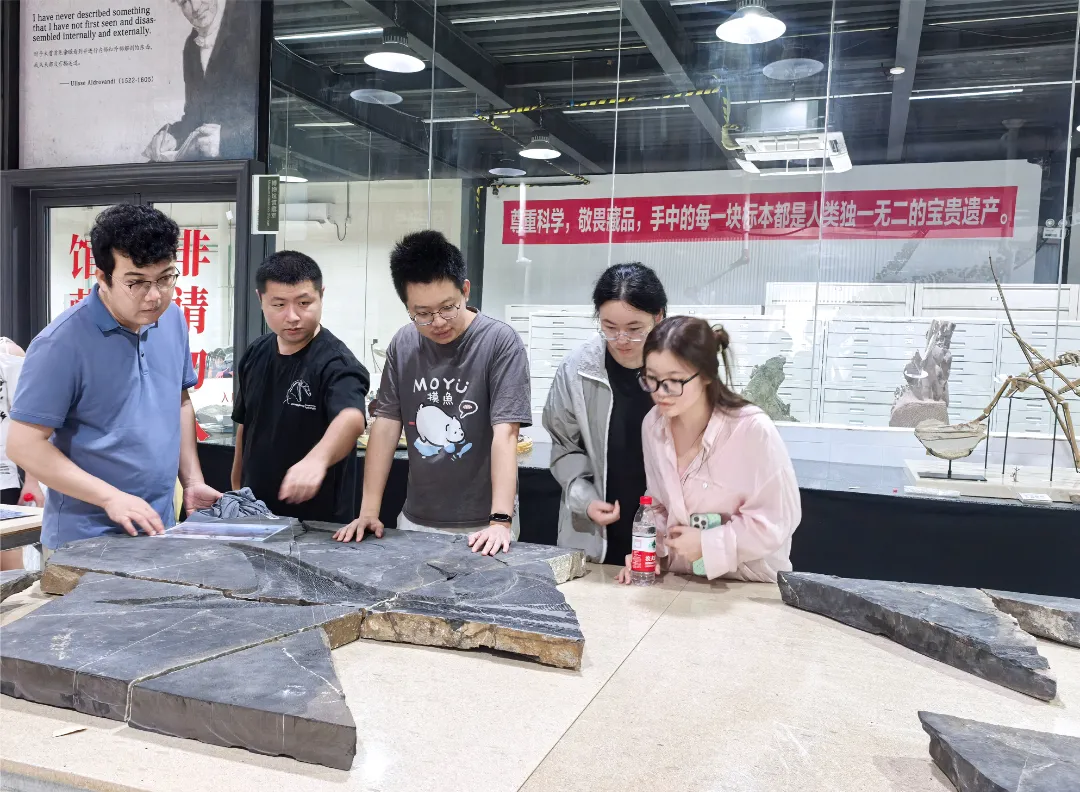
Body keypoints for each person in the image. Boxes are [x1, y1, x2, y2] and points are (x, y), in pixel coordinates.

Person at [7, 204, 221, 551]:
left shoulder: (172, 320)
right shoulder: (60, 343)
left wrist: (192, 480)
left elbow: (178, 402)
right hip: (86, 539)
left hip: (159, 526)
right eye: (136, 282)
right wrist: (110, 498)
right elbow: (23, 445)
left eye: (166, 278)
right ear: (102, 277)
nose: (155, 296)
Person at [333, 230, 531, 556]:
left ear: (465, 290)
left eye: (448, 307)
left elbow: (506, 434)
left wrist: (501, 521)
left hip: (486, 525)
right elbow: (385, 427)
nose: (437, 322)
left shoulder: (499, 342)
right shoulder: (403, 343)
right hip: (417, 519)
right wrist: (368, 512)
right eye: (422, 313)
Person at [616, 316, 800, 584]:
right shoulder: (653, 425)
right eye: (651, 379)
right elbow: (658, 503)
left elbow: (777, 520)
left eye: (674, 380)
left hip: (748, 587)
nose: (660, 392)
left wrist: (708, 544)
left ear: (705, 375)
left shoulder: (751, 429)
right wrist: (649, 552)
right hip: (682, 581)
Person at [231, 252, 370, 523]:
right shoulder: (255, 352)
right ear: (261, 300)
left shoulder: (336, 362)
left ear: (321, 296)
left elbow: (351, 418)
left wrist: (316, 460)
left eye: (304, 303)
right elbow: (245, 424)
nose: (292, 316)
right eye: (279, 304)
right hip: (255, 513)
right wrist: (236, 486)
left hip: (318, 523)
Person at [543, 263, 667, 564]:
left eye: (634, 328)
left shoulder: (681, 371)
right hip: (594, 529)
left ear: (658, 317)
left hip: (666, 530)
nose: (621, 339)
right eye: (610, 327)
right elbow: (565, 446)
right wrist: (585, 498)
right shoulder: (576, 370)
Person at [144, 0, 260, 162]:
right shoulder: (191, 46)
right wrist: (172, 137)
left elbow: (271, 116)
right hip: (212, 168)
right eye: (184, 2)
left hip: (245, 170)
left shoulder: (252, 25)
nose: (195, 7)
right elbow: (195, 116)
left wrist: (225, 142)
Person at [0, 337, 43, 570]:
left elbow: (28, 417)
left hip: (4, 477)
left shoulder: (8, 353)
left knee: (7, 565)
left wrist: (32, 480)